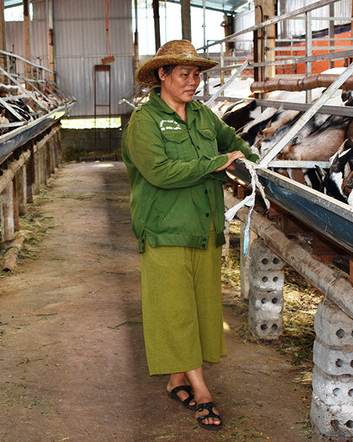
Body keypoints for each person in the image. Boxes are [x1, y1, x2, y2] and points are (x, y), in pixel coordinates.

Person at [121, 39, 258, 431]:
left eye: (197, 74)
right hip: (165, 229)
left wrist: (247, 160)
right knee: (175, 311)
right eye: (185, 74)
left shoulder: (202, 115)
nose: (194, 82)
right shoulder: (145, 122)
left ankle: (177, 378)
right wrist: (219, 163)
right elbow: (160, 172)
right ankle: (202, 391)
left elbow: (233, 143)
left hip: (205, 227)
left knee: (198, 309)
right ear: (162, 75)